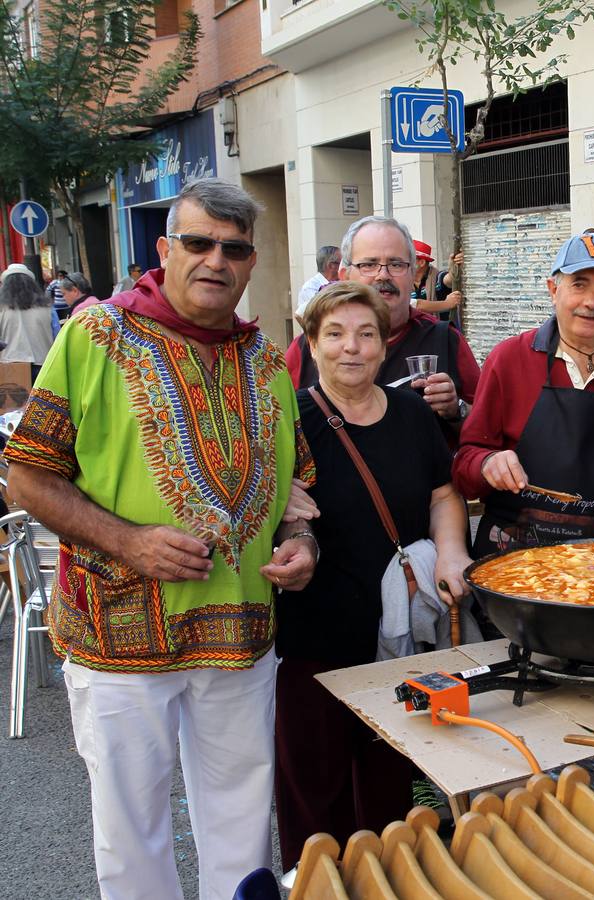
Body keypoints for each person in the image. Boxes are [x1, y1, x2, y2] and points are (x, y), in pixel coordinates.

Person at [3, 178, 318, 900]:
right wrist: (127, 541)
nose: (217, 260)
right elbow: (27, 478)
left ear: (251, 263)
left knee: (242, 820)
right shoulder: (95, 336)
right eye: (199, 243)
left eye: (234, 249)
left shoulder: (267, 362)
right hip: (119, 635)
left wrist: (302, 543)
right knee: (131, 829)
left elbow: (295, 490)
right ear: (164, 249)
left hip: (241, 635)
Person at [274, 280, 472, 869]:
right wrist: (289, 526)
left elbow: (443, 491)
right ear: (311, 344)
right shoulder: (293, 419)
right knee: (316, 789)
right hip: (318, 634)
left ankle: (390, 881)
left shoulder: (411, 413)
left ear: (385, 346)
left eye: (365, 334)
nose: (350, 348)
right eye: (333, 334)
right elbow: (274, 508)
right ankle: (318, 883)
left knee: (391, 783)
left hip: (403, 638)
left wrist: (453, 550)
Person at [454, 232, 594, 555]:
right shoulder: (509, 359)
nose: (592, 301)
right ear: (553, 290)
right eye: (579, 284)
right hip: (511, 555)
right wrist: (487, 463)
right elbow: (464, 465)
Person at [285, 217, 480, 442]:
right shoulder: (309, 347)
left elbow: (487, 434)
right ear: (344, 275)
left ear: (412, 274)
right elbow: (276, 432)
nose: (383, 275)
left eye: (396, 264)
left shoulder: (445, 340)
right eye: (368, 264)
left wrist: (456, 409)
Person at [0, 264, 56, 382]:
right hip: (44, 364)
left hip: (10, 365)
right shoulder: (48, 307)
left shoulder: (2, 308)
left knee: (15, 399)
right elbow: (57, 336)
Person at [411, 240, 464, 328]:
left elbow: (449, 279)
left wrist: (454, 267)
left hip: (439, 333)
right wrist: (447, 303)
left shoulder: (437, 277)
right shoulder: (404, 283)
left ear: (422, 262)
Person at [295, 245, 340, 325]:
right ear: (331, 265)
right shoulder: (310, 288)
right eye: (343, 263)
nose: (345, 267)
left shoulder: (342, 283)